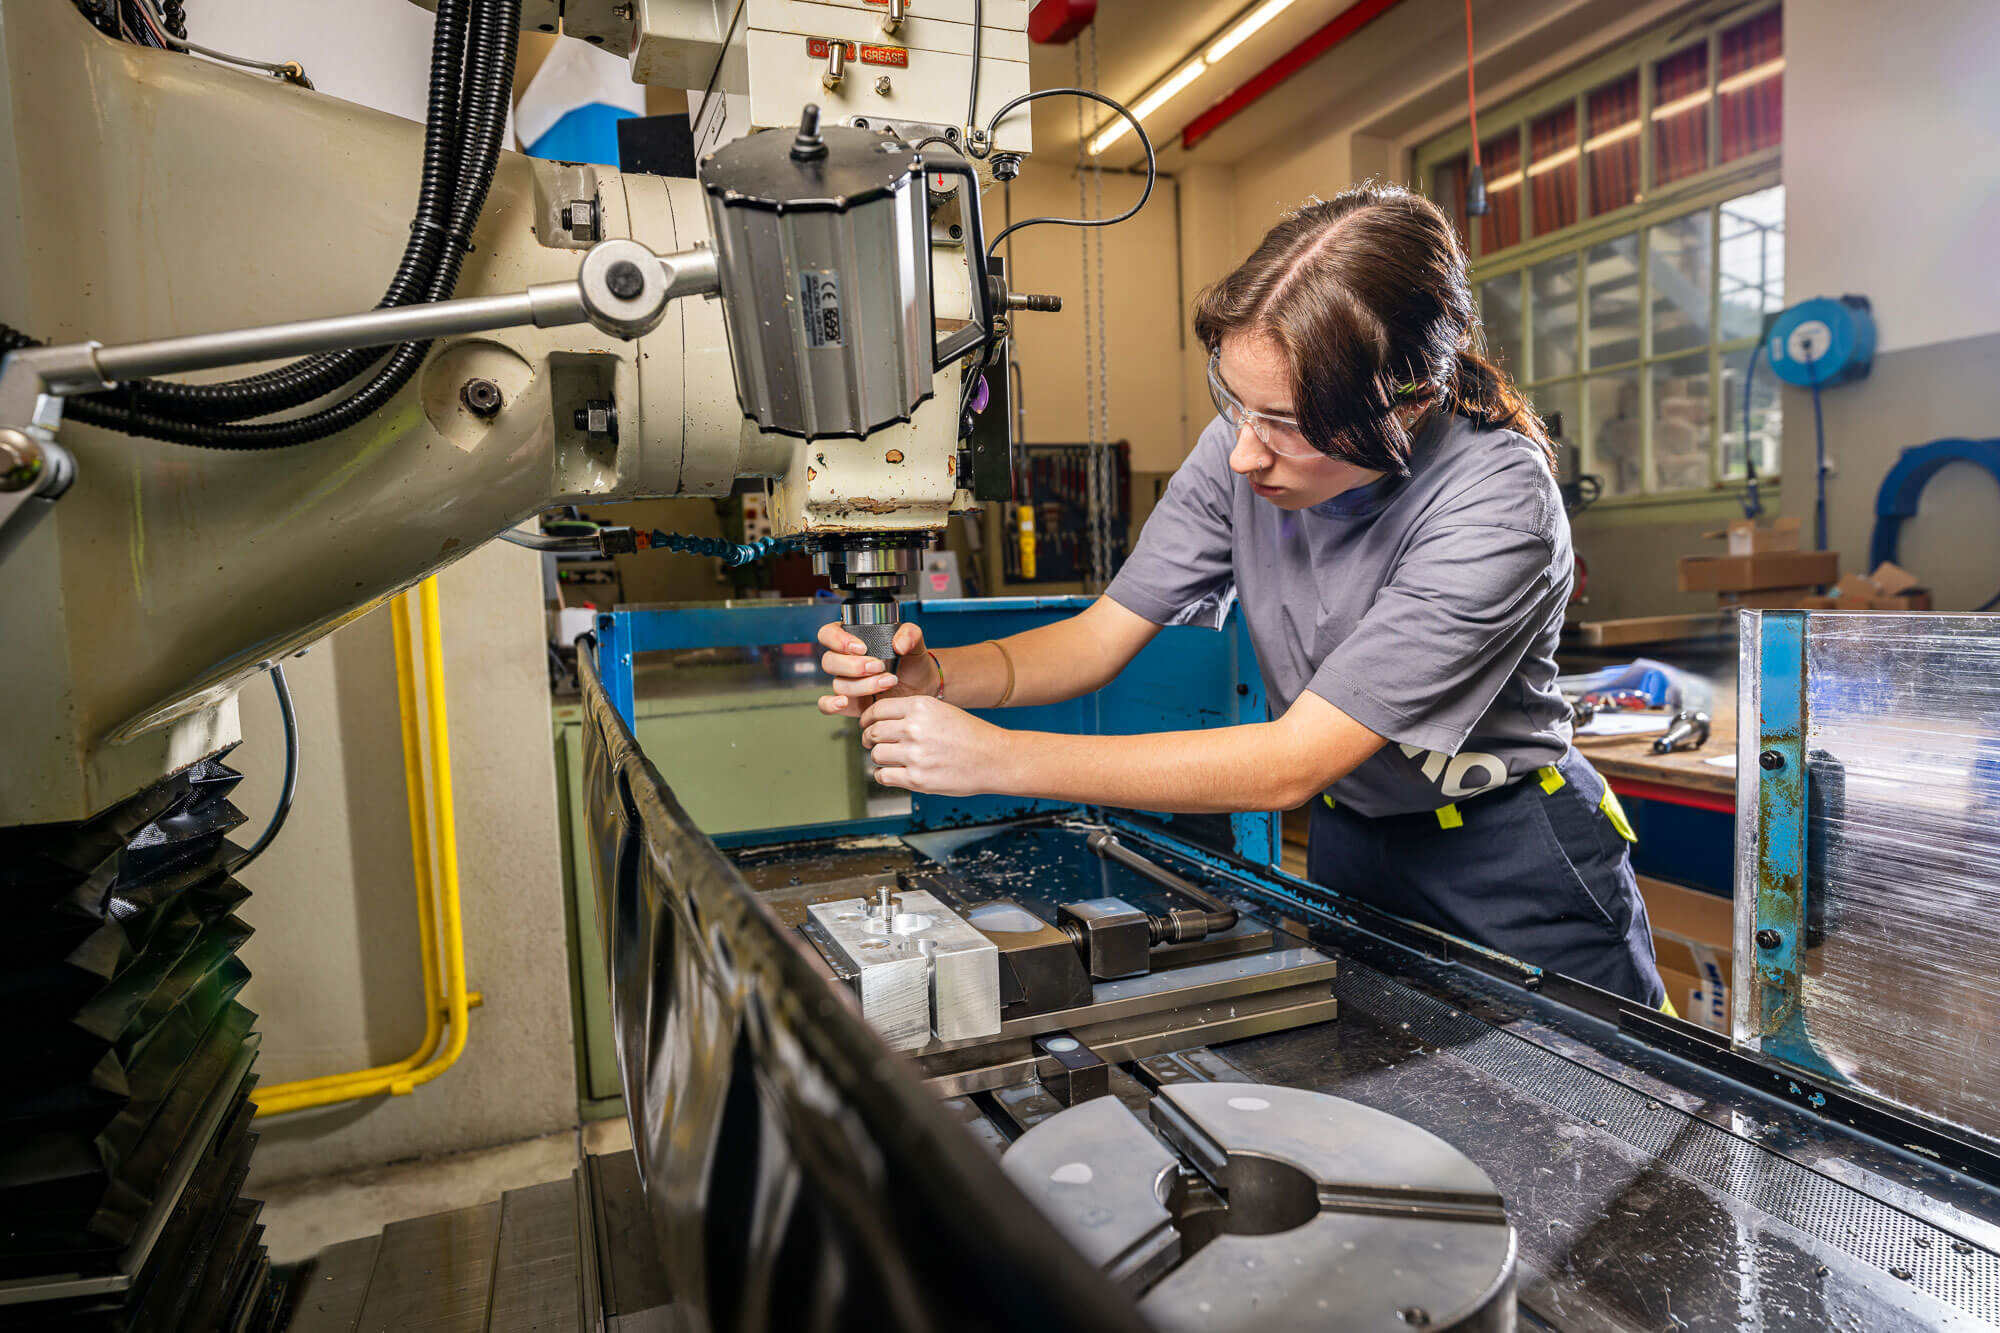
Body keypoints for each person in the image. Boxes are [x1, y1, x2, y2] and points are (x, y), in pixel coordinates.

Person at [815, 182, 1663, 1006]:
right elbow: (1098, 637)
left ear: (1408, 404)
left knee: (1601, 1126)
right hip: (1353, 845)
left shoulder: (1495, 503)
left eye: (1287, 424)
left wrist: (994, 758)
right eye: (1236, 405)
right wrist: (940, 679)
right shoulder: (1247, 446)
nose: (1243, 454)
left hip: (1507, 856)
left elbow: (1288, 763)